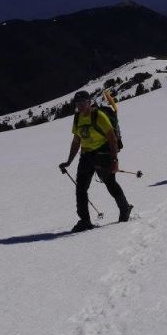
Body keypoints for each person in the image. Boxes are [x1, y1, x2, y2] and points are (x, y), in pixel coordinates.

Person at [59, 90, 132, 232]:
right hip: (86, 155)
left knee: (110, 183)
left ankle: (125, 208)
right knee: (81, 188)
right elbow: (76, 140)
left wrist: (115, 160)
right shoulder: (77, 118)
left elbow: (112, 138)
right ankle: (85, 221)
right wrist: (69, 161)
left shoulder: (99, 116)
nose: (79, 106)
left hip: (102, 153)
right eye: (77, 103)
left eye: (82, 102)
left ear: (89, 102)